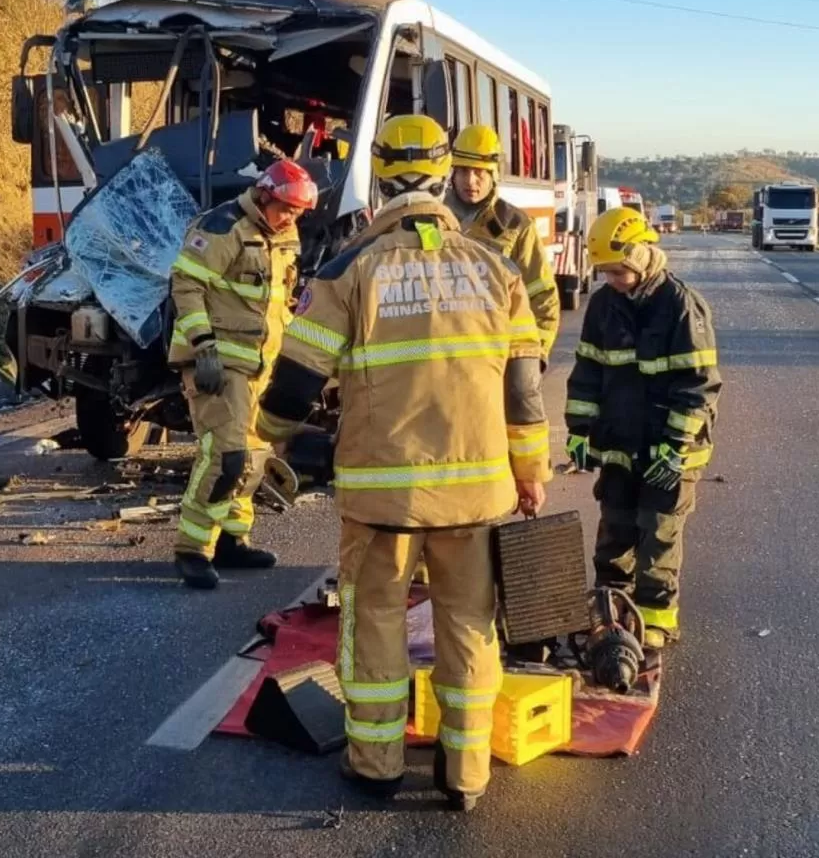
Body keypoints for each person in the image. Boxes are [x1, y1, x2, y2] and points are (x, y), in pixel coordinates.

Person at [256, 114, 553, 812]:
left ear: (382, 176)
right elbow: (524, 389)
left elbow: (297, 382)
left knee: (377, 622)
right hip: (477, 496)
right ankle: (466, 772)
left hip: (382, 502)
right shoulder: (496, 269)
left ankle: (377, 766)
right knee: (468, 624)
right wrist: (531, 472)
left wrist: (268, 438)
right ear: (446, 175)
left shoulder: (350, 269)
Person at [564, 207, 721, 648]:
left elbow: (699, 386)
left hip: (672, 450)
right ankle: (610, 610)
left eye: (618, 271)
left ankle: (655, 620)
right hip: (621, 444)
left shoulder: (681, 307)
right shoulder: (603, 304)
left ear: (641, 254)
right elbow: (588, 371)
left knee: (658, 533)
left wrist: (674, 447)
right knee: (614, 529)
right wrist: (579, 428)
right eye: (605, 272)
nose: (612, 279)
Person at [169, 160, 318, 590]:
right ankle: (192, 549)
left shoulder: (285, 235)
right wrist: (203, 347)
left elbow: (281, 301)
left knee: (253, 459)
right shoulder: (222, 226)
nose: (290, 218)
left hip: (261, 363)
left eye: (297, 212)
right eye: (285, 208)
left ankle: (233, 538)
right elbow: (186, 284)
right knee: (226, 456)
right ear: (264, 196)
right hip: (219, 362)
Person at [447, 124, 560, 366]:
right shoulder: (433, 220)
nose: (470, 181)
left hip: (497, 361)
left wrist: (533, 358)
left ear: (494, 175)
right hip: (444, 361)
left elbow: (543, 297)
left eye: (480, 172)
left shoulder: (516, 226)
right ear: (452, 174)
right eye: (463, 171)